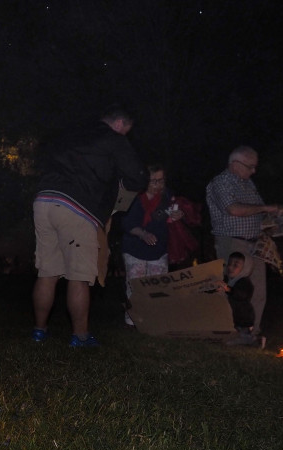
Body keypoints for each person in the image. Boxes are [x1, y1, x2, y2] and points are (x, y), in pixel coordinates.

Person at [31, 107, 147, 347]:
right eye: (126, 131)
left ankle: (39, 331)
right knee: (79, 276)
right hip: (77, 206)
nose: (125, 136)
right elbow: (137, 176)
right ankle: (81, 336)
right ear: (119, 124)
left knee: (47, 272)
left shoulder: (71, 132)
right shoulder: (113, 139)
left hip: (44, 200)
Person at [206, 145, 283, 335]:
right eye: (250, 166)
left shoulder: (248, 184)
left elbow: (256, 212)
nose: (254, 171)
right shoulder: (221, 183)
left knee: (258, 291)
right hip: (233, 243)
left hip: (255, 243)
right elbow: (234, 209)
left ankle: (252, 332)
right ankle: (228, 330)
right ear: (235, 164)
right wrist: (268, 208)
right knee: (234, 289)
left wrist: (275, 223)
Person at [120, 164, 183, 327]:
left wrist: (178, 214)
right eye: (154, 181)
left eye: (161, 180)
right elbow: (126, 223)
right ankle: (133, 321)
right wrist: (143, 234)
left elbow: (172, 214)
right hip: (135, 249)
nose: (158, 185)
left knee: (158, 286)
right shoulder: (134, 197)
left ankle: (155, 320)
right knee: (135, 286)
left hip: (159, 250)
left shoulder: (167, 196)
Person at [216, 251, 258, 345]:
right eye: (229, 264)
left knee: (240, 336)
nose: (230, 267)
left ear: (244, 268)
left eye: (235, 265)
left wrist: (228, 289)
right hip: (230, 319)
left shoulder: (244, 282)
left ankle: (253, 340)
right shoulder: (227, 280)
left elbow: (241, 295)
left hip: (242, 319)